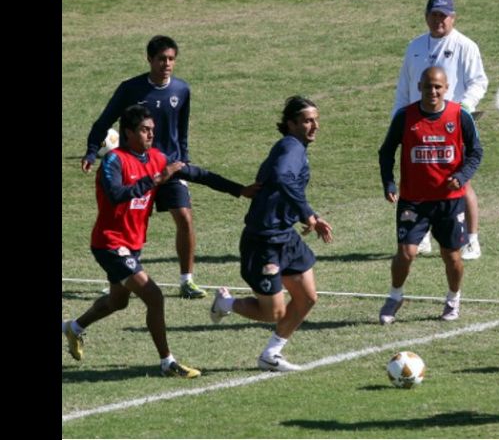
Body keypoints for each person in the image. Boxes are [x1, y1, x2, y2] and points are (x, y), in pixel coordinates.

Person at [63, 105, 256, 377]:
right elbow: (117, 194)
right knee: (154, 297)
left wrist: (240, 190)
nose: (150, 134)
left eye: (152, 130)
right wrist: (155, 180)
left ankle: (73, 328)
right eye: (144, 130)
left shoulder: (156, 158)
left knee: (118, 302)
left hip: (132, 244)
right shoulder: (113, 161)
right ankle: (168, 363)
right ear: (128, 133)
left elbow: (197, 174)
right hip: (109, 243)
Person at [209, 95, 333, 372]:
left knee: (307, 297)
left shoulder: (295, 147)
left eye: (316, 120)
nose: (315, 126)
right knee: (273, 313)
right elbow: (281, 176)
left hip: (285, 235)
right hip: (263, 240)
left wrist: (308, 214)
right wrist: (307, 214)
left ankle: (271, 355)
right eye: (307, 121)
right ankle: (226, 303)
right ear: (291, 124)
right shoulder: (291, 147)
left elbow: (284, 186)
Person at [81, 35, 208, 299]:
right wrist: (92, 151)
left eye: (171, 59)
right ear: (149, 59)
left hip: (169, 166)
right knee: (125, 222)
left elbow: (181, 130)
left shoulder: (182, 90)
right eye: (161, 59)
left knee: (184, 217)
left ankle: (187, 280)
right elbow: (105, 119)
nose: (167, 64)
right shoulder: (130, 89)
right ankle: (118, 278)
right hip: (136, 169)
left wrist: (184, 160)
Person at [378, 67, 483, 324]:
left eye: (437, 86)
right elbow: (386, 151)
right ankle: (395, 296)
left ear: (446, 88)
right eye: (427, 86)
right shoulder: (406, 117)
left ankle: (452, 299)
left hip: (449, 201)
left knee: (452, 256)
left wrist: (461, 176)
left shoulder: (459, 116)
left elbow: (476, 152)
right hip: (414, 200)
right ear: (419, 88)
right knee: (406, 252)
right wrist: (389, 183)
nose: (432, 91)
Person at [392, 0, 488, 260]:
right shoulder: (415, 47)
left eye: (443, 16)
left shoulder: (465, 46)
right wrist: (396, 120)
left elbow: (479, 81)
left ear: (453, 18)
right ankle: (420, 236)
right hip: (417, 124)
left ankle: (471, 240)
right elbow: (404, 86)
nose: (438, 20)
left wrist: (464, 109)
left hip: (451, 124)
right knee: (418, 178)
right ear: (426, 17)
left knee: (459, 179)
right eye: (434, 15)